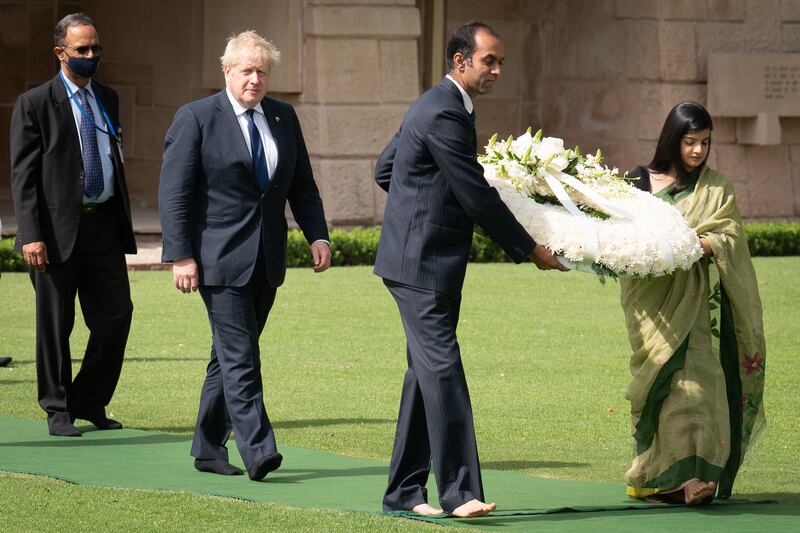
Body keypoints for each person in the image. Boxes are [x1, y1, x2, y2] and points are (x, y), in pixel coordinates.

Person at [374, 21, 568, 518]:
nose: (498, 70)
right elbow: (475, 194)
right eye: (490, 61)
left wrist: (418, 202)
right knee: (443, 369)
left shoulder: (435, 103)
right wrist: (529, 248)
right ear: (461, 61)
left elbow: (386, 170)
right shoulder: (443, 112)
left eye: (500, 62)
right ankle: (461, 493)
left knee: (424, 373)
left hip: (419, 259)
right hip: (421, 264)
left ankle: (403, 492)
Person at [158, 31, 331, 481]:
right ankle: (259, 450)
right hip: (217, 260)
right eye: (246, 71)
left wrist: (319, 236)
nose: (254, 80)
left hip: (267, 259)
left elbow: (302, 185)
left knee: (229, 355)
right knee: (241, 358)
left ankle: (207, 447)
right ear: (227, 72)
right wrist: (181, 256)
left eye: (262, 72)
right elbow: (174, 194)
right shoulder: (196, 118)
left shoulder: (282, 117)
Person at [622, 101, 766, 504]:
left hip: (697, 303)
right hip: (650, 305)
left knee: (696, 388)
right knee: (661, 385)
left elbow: (730, 236)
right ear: (673, 139)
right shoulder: (637, 180)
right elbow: (617, 235)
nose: (698, 151)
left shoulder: (717, 188)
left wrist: (701, 244)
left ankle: (690, 478)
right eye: (690, 142)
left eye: (704, 142)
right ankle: (655, 479)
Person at [10, 13, 136, 437]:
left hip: (102, 227)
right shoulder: (34, 103)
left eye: (96, 48)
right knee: (56, 323)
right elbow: (23, 176)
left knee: (116, 317)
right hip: (53, 232)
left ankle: (89, 399)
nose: (91, 56)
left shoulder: (108, 97)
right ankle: (58, 408)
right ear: (60, 53)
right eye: (82, 50)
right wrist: (30, 235)